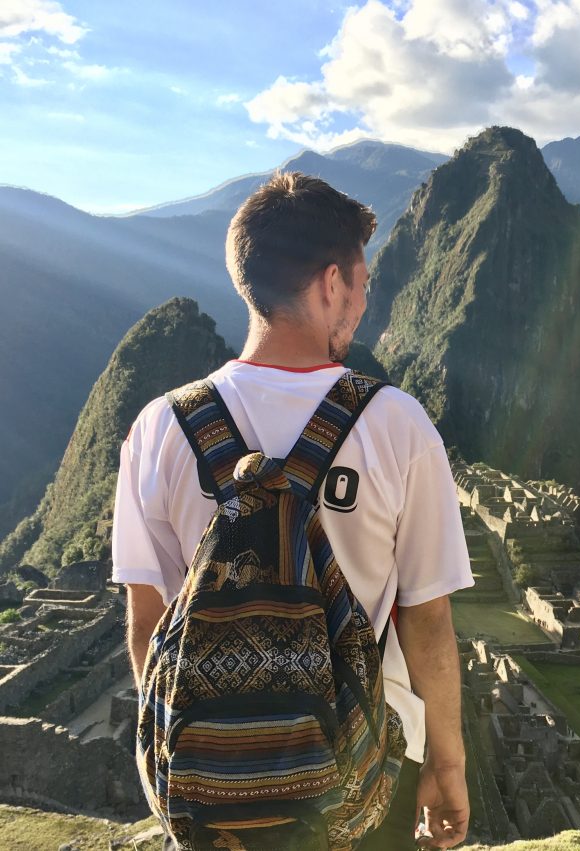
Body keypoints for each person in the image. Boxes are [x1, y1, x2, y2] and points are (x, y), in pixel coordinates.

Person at [112, 172, 473, 850]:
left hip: (211, 792)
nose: (363, 303)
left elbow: (148, 620)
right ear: (330, 282)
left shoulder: (159, 428)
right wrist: (446, 763)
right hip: (361, 781)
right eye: (362, 284)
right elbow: (427, 620)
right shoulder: (396, 424)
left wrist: (182, 762)